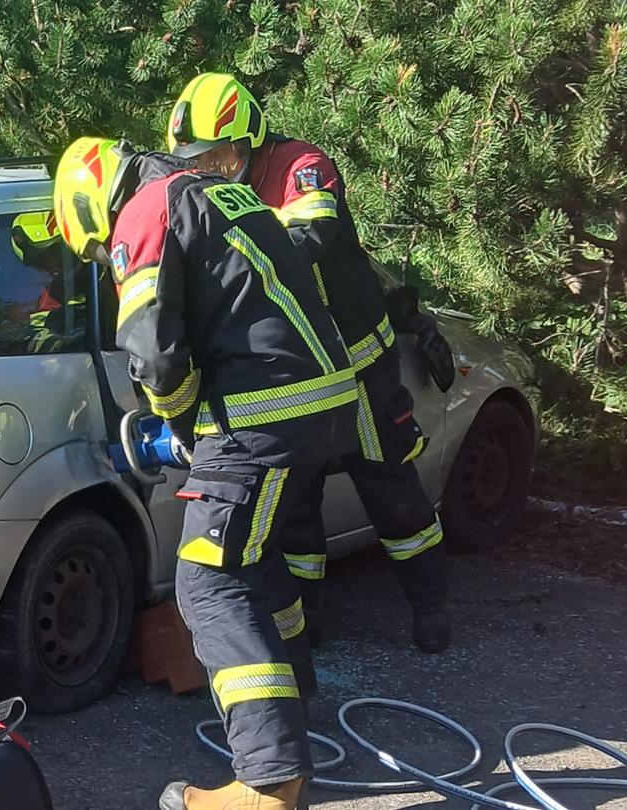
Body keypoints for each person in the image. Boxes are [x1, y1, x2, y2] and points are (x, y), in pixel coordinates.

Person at [54, 137, 359, 810]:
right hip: (318, 404)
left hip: (264, 415)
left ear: (90, 201)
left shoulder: (145, 210)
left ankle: (268, 781)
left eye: (97, 247)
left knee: (209, 579)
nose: (107, 253)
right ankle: (294, 719)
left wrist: (182, 422)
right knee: (256, 564)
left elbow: (157, 356)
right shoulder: (220, 193)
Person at [167, 73, 453, 653]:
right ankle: (307, 627)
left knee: (388, 482)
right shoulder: (211, 193)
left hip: (357, 359)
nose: (212, 169)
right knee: (294, 507)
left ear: (249, 141)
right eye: (199, 159)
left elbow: (311, 235)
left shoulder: (302, 165)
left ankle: (432, 605)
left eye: (219, 156)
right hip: (296, 376)